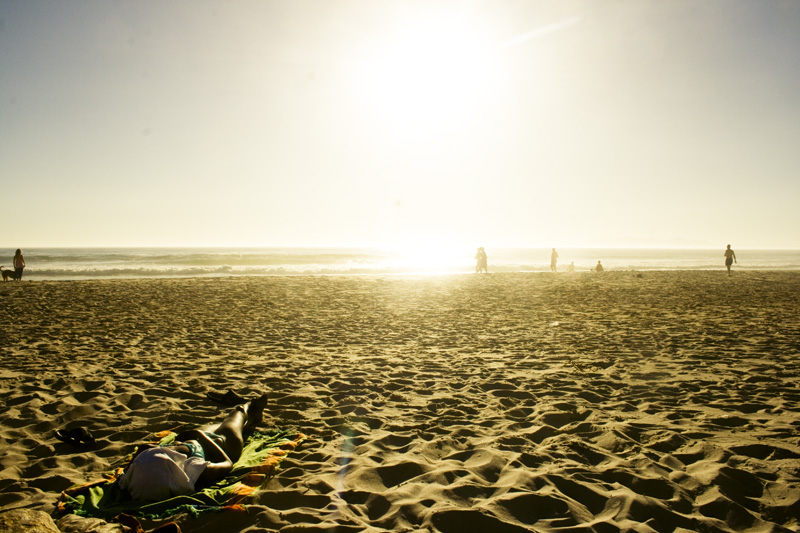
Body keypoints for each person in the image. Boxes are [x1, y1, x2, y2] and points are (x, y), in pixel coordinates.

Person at [118, 394, 268, 501]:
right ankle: (249, 404)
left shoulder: (138, 473)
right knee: (236, 416)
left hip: (194, 440)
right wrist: (199, 435)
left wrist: (172, 445)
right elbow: (227, 463)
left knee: (234, 422)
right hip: (223, 443)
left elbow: (143, 449)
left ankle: (253, 417)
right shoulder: (195, 470)